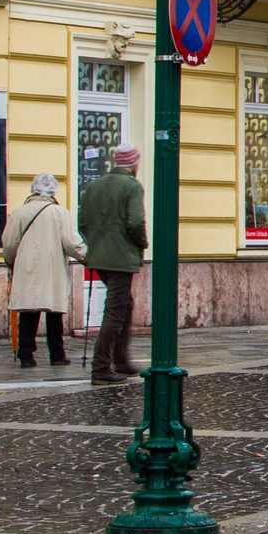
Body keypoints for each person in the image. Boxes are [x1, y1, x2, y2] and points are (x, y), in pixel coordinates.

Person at [2, 173, 89, 368]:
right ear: (53, 191)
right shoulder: (59, 213)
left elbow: (8, 244)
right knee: (54, 312)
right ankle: (57, 354)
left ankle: (26, 355)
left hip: (26, 268)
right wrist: (87, 257)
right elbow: (71, 243)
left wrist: (11, 263)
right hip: (52, 269)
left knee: (28, 311)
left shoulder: (18, 213)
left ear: (33, 190)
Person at [77, 145, 149, 380]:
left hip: (99, 257)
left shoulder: (94, 186)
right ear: (133, 163)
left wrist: (96, 243)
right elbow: (136, 222)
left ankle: (121, 359)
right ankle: (101, 367)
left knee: (124, 304)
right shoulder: (132, 186)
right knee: (115, 311)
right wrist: (142, 243)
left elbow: (83, 222)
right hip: (121, 258)